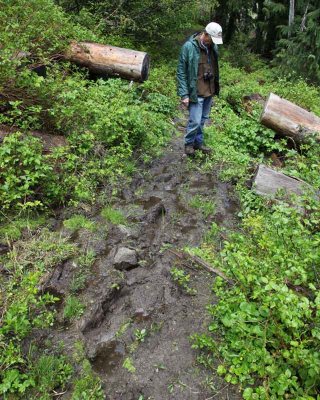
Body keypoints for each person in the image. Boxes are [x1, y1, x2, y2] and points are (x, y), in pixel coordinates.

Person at [177, 22, 223, 156]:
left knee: (203, 120)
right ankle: (189, 144)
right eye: (212, 39)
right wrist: (184, 94)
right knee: (195, 121)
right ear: (206, 34)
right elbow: (181, 72)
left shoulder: (213, 47)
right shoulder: (189, 47)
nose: (213, 42)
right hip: (195, 91)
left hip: (209, 89)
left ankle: (198, 142)